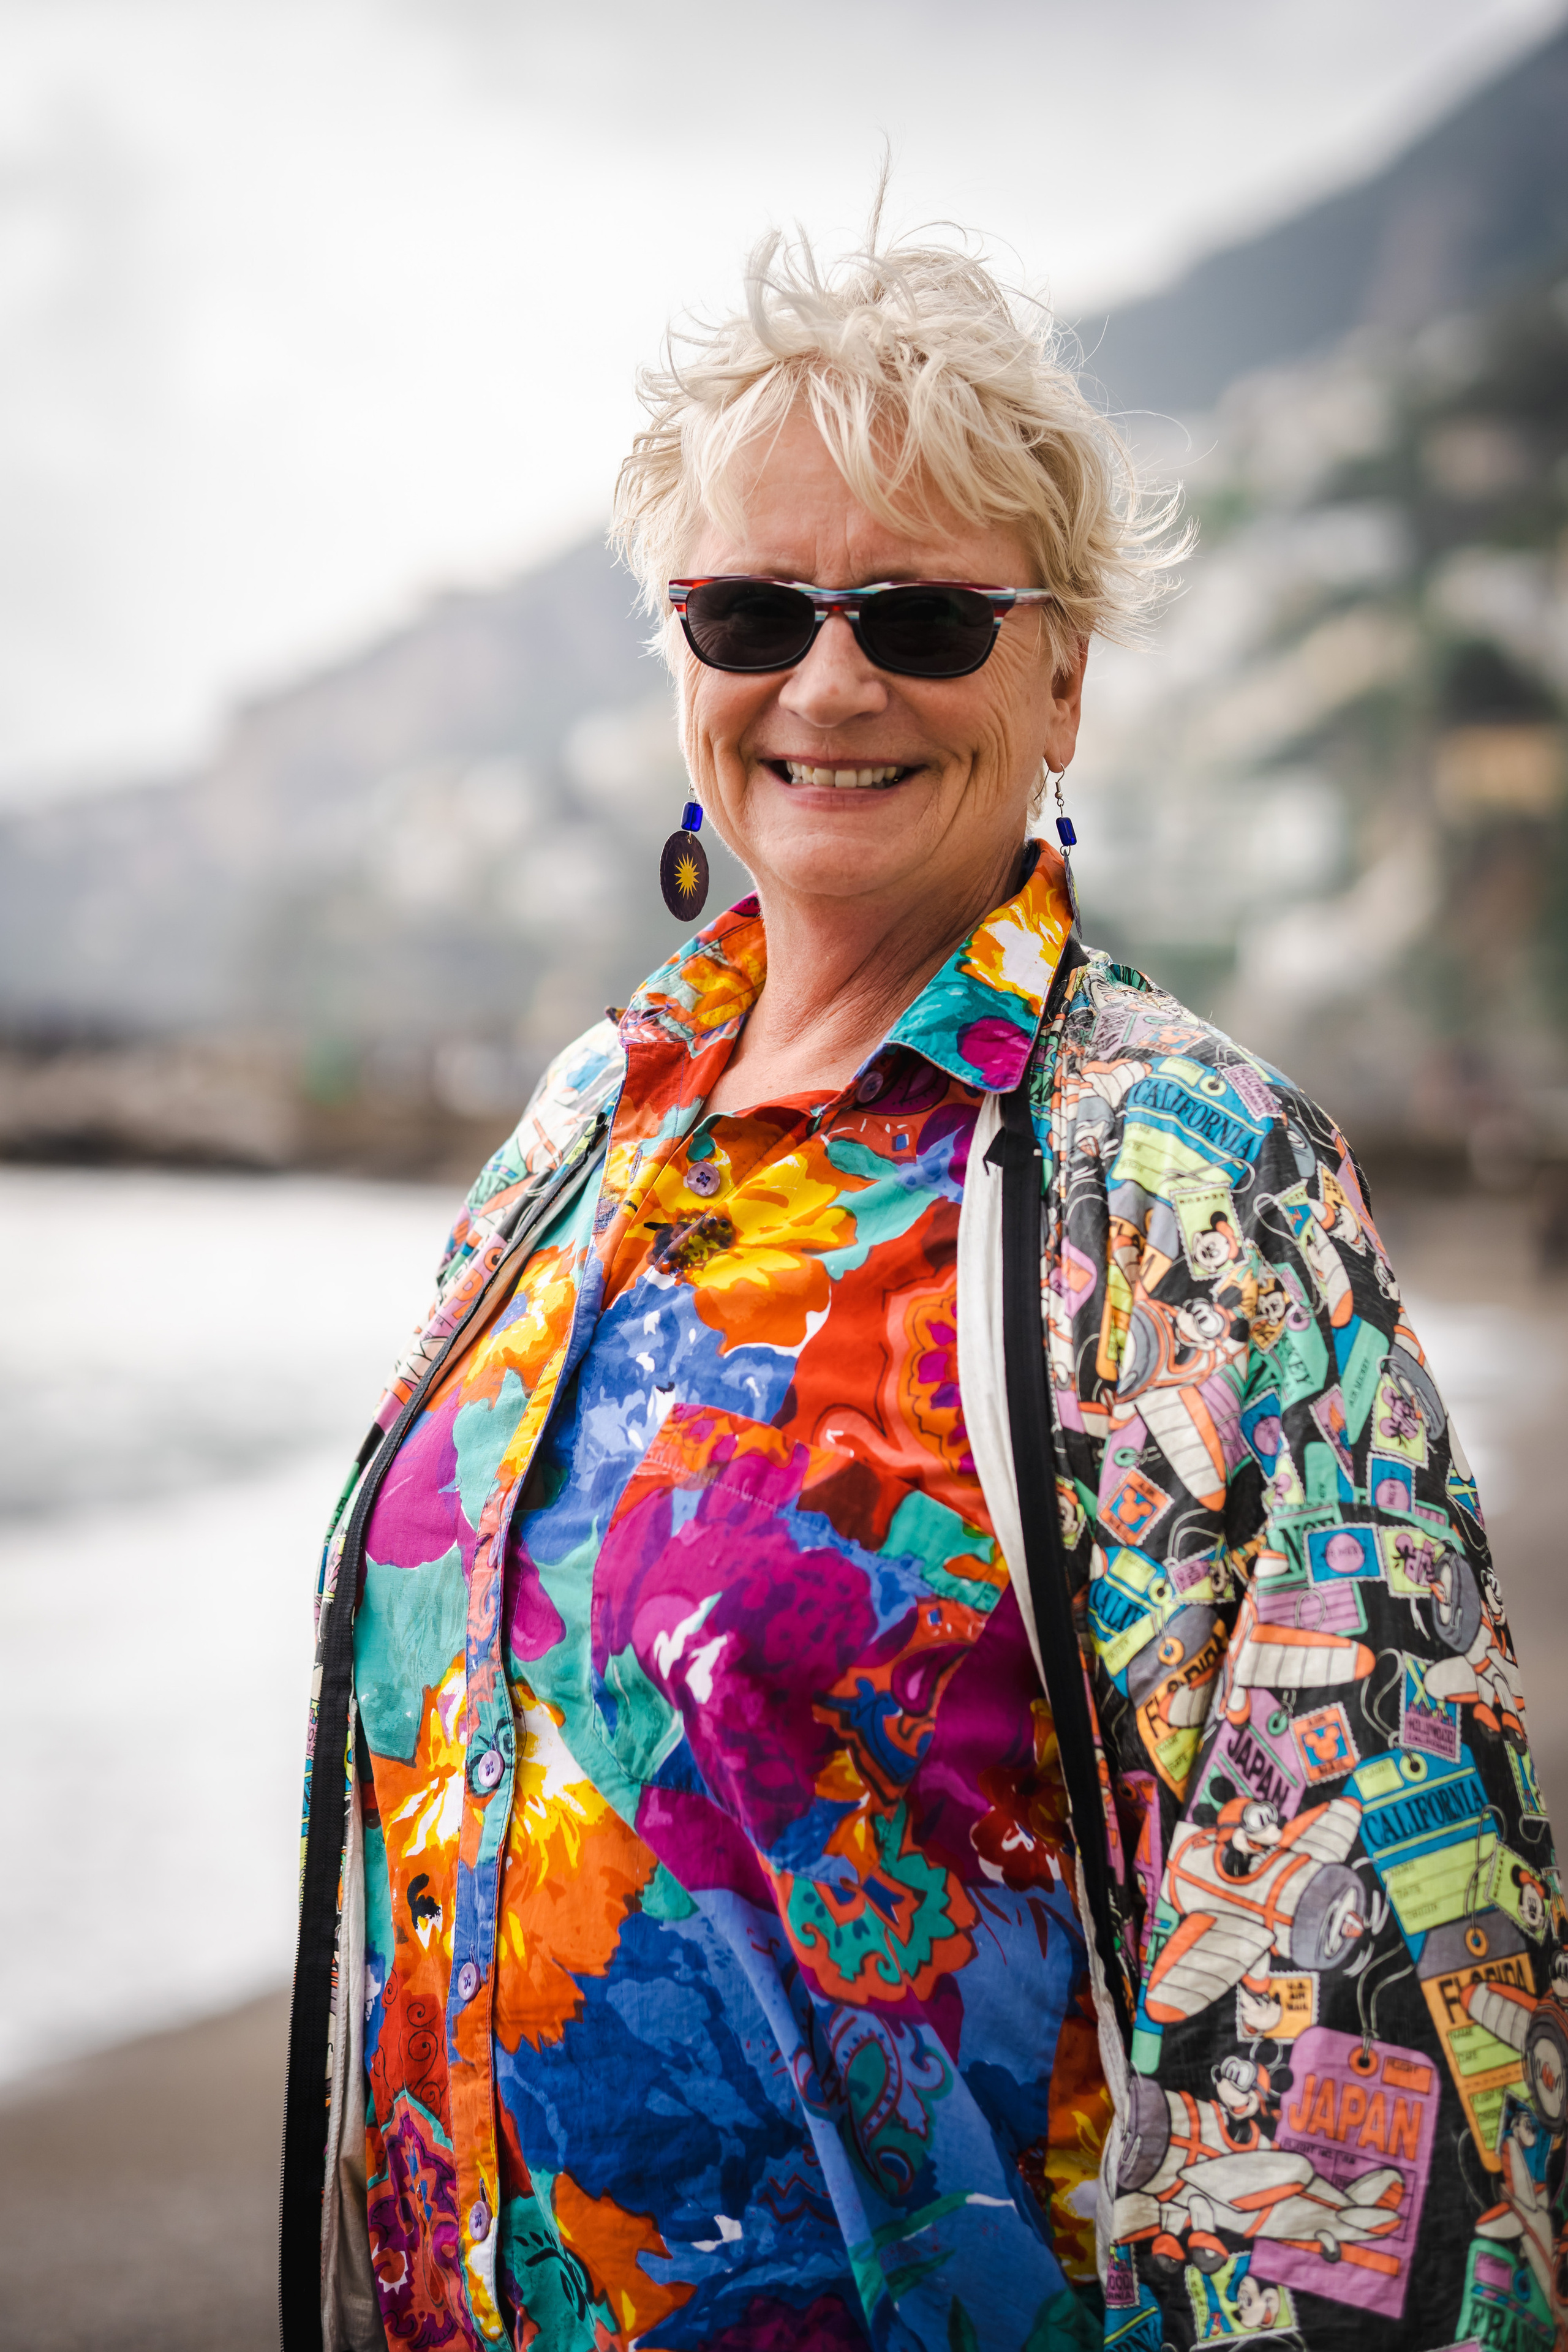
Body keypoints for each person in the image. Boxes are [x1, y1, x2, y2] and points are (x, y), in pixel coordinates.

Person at [279, 217, 1566, 2352]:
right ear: (685, 655)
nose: (830, 679)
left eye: (929, 617)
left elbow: (1375, 2026)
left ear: (1065, 672)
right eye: (756, 608)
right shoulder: (584, 1128)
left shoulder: (1182, 1183)